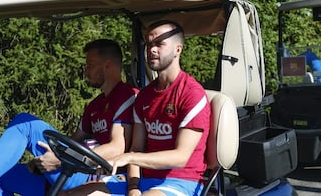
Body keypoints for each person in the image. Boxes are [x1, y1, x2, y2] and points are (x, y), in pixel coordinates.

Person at [60, 20, 211, 196]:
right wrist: (133, 188)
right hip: (142, 181)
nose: (152, 49)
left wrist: (130, 158)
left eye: (160, 44)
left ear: (178, 49)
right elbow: (136, 147)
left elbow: (180, 157)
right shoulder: (145, 96)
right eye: (149, 44)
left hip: (182, 182)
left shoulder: (192, 94)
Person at [0, 39, 138, 196]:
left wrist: (60, 160)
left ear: (108, 66)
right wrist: (46, 158)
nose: (86, 71)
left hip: (99, 177)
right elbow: (72, 142)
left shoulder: (127, 96)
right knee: (1, 178)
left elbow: (116, 148)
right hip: (72, 170)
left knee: (26, 124)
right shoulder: (94, 106)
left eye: (90, 65)